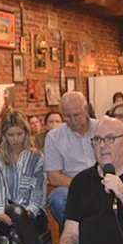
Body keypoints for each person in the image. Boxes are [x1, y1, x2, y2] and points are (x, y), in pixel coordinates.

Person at [0, 111, 51, 244]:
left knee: (17, 232)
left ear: (26, 133)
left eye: (19, 134)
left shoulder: (37, 157)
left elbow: (39, 189)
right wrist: (0, 212)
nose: (15, 139)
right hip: (6, 215)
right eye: (11, 135)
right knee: (14, 210)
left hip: (34, 216)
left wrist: (30, 210)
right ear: (4, 135)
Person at [45, 91, 98, 227]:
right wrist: (83, 185)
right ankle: (80, 234)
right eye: (67, 116)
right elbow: (54, 176)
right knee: (57, 198)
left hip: (104, 181)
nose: (73, 121)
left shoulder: (101, 128)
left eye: (76, 115)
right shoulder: (54, 137)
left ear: (85, 109)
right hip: (73, 186)